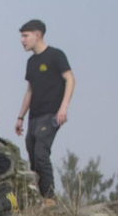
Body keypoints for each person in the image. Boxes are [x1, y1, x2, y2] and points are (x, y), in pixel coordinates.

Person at [15, 20, 75, 206]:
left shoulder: (55, 55)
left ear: (38, 35)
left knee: (41, 152)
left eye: (26, 36)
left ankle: (50, 197)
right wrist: (20, 116)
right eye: (21, 37)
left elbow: (70, 79)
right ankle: (39, 197)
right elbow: (29, 91)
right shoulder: (31, 62)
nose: (22, 40)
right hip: (34, 115)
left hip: (51, 114)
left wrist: (64, 107)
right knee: (33, 154)